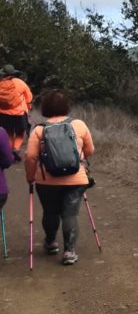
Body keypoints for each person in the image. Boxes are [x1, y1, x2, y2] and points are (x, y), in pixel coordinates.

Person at [24, 90, 94, 265]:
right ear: (67, 107)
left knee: (50, 212)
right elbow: (90, 150)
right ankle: (69, 252)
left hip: (47, 181)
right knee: (70, 214)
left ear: (45, 108)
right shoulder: (78, 125)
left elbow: (30, 157)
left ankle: (51, 243)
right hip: (76, 179)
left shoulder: (39, 130)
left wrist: (30, 177)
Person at [0, 64, 33, 154]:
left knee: (9, 132)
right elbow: (29, 97)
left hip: (3, 113)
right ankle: (16, 148)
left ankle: (10, 151)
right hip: (19, 113)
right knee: (20, 133)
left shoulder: (1, 83)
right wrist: (29, 106)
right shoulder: (20, 82)